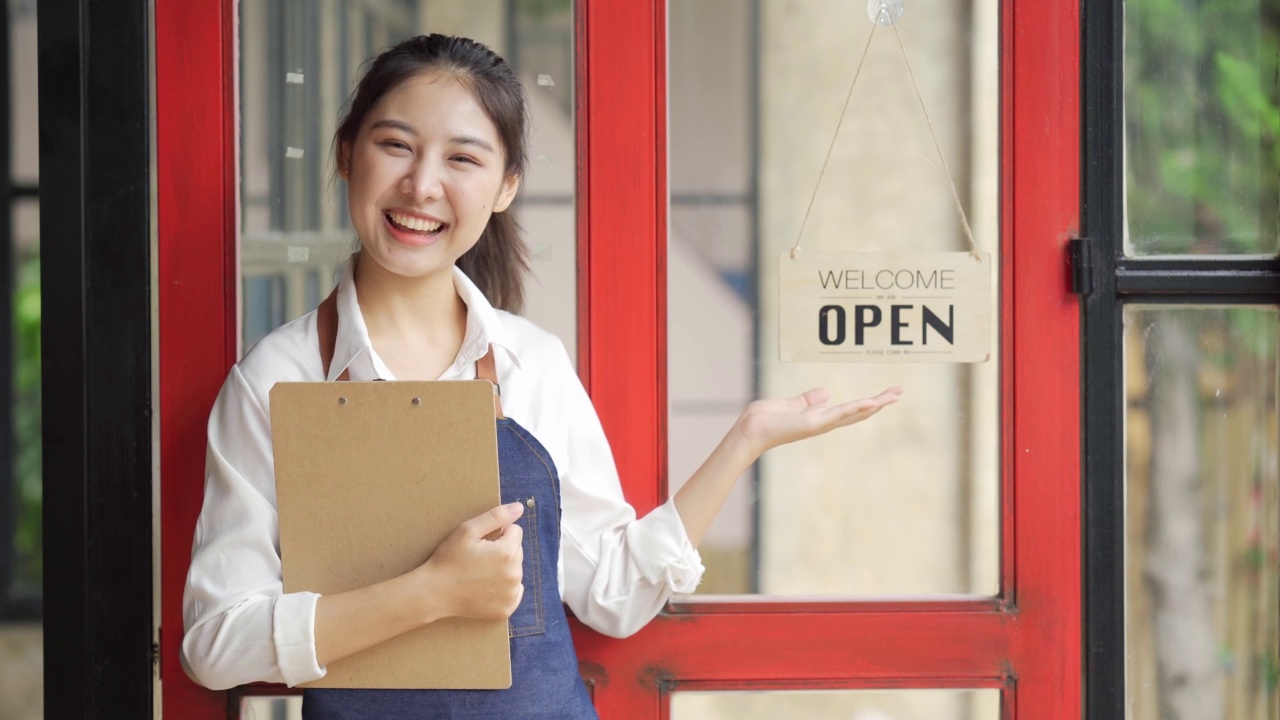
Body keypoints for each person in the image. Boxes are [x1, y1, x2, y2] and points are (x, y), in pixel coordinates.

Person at [181, 33, 902, 719]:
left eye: (463, 160)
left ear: (505, 188)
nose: (422, 184)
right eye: (396, 145)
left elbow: (612, 594)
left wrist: (743, 441)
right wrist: (430, 593)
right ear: (346, 154)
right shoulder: (278, 380)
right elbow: (214, 645)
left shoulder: (534, 365)